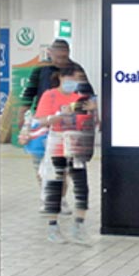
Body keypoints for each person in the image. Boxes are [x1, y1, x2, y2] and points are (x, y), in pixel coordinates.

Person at [33, 66, 96, 244]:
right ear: (61, 77)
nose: (74, 83)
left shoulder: (80, 98)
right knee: (54, 187)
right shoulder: (50, 95)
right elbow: (41, 120)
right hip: (57, 144)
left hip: (76, 145)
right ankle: (53, 228)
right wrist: (60, 114)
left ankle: (79, 227)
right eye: (72, 78)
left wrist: (91, 111)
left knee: (81, 186)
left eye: (77, 80)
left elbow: (88, 123)